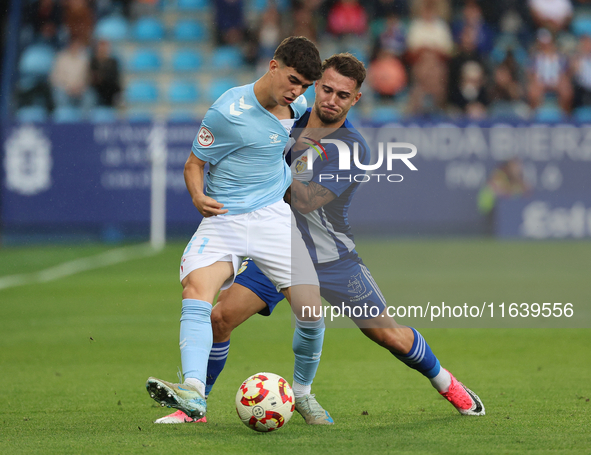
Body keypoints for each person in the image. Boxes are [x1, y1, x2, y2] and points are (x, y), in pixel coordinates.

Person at [156, 52, 485, 424]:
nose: (331, 99)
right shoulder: (286, 116)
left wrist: (261, 173)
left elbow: (308, 200)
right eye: (325, 89)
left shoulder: (352, 147)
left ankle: (448, 384)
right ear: (315, 87)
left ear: (355, 99)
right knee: (220, 318)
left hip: (331, 258)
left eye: (342, 95)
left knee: (388, 334)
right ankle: (194, 408)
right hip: (274, 243)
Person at [145, 37, 328, 424]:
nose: (297, 91)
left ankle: (303, 394)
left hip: (272, 219)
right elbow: (193, 164)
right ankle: (193, 395)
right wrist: (197, 196)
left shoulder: (296, 106)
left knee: (311, 311)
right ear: (273, 65)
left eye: (305, 87)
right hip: (224, 219)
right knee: (197, 289)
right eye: (293, 80)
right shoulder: (227, 112)